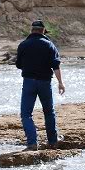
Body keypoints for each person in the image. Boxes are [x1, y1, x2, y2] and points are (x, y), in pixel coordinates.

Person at [15, 20, 65, 151]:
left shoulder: (23, 45)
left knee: (26, 114)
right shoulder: (49, 45)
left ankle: (32, 143)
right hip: (44, 82)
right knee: (49, 112)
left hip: (28, 82)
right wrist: (60, 83)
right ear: (43, 31)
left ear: (32, 31)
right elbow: (56, 66)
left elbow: (18, 65)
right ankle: (53, 142)